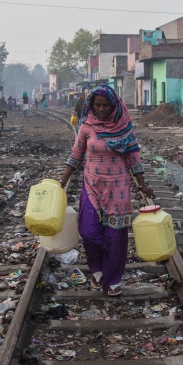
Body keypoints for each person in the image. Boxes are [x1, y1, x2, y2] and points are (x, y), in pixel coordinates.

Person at [59, 85, 154, 297]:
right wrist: (62, 183)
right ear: (91, 105)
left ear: (114, 105)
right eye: (97, 105)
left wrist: (142, 184)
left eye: (105, 105)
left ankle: (112, 280)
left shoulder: (125, 128)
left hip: (118, 187)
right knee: (89, 232)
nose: (101, 109)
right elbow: (75, 156)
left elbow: (134, 158)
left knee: (115, 238)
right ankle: (97, 269)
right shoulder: (86, 127)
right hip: (92, 185)